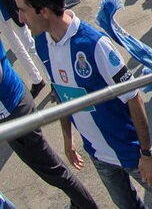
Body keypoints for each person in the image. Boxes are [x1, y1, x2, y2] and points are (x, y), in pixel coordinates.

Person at [9, 0, 152, 209]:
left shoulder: (95, 45)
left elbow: (133, 97)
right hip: (99, 156)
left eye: (22, 10)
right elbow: (61, 94)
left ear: (43, 10)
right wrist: (68, 138)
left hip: (131, 153)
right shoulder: (42, 43)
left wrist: (147, 154)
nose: (20, 19)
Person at [0, 33, 99, 208]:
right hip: (14, 104)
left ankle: (85, 205)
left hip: (13, 112)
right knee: (51, 169)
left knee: (53, 171)